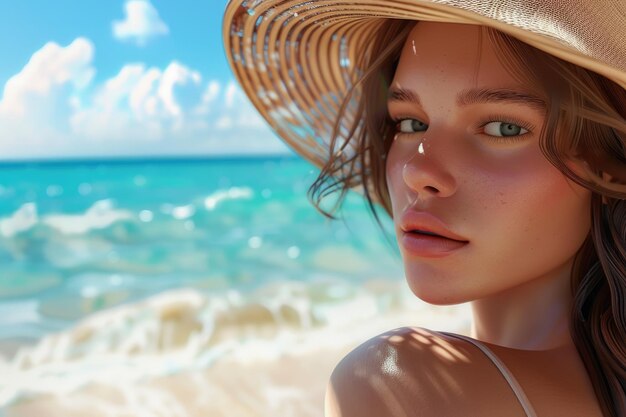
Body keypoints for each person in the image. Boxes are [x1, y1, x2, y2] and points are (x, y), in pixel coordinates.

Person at [222, 1, 626, 416]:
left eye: (504, 127)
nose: (418, 170)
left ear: (613, 165)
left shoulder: (401, 385)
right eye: (410, 123)